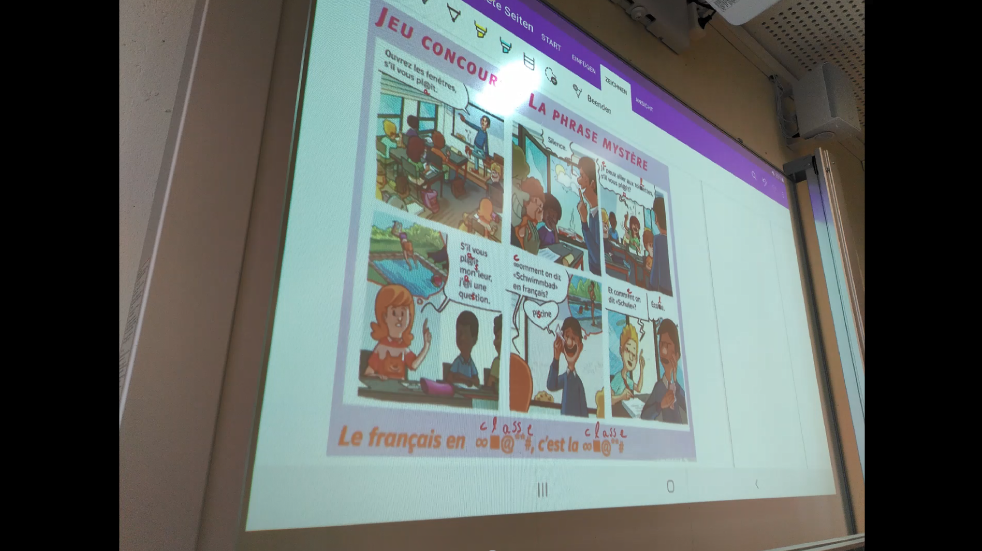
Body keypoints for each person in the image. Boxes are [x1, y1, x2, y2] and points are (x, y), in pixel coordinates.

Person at [365, 284, 432, 381]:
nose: (399, 318)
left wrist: (426, 346)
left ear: (409, 317)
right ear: (385, 317)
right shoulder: (381, 346)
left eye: (403, 313)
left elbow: (414, 365)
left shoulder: (403, 347)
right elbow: (368, 373)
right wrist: (378, 377)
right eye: (394, 313)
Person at [640, 319, 686, 423]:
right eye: (661, 345)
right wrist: (660, 405)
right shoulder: (659, 387)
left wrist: (674, 381)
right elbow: (644, 416)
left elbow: (689, 408)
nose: (663, 351)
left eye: (667, 345)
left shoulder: (678, 389)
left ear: (677, 355)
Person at [546, 317, 589, 417]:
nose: (569, 343)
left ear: (580, 347)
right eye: (567, 337)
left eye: (573, 338)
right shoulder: (566, 377)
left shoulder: (578, 382)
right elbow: (551, 385)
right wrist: (556, 358)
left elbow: (584, 411)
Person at [576, 157, 602, 276]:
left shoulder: (599, 217)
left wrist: (584, 221)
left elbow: (597, 258)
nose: (578, 181)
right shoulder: (593, 212)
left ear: (592, 184)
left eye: (582, 176)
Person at [610, 321, 644, 411]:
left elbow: (638, 389)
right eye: (628, 350)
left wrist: (641, 369)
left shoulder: (628, 380)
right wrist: (621, 396)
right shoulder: (618, 378)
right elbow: (609, 400)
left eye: (634, 355)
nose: (631, 357)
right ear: (621, 351)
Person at [647, 196, 673, 296]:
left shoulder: (658, 240)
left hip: (663, 290)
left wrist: (651, 289)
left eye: (656, 216)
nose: (655, 221)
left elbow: (654, 274)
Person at [512, 177, 544, 254]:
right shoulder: (521, 220)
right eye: (535, 200)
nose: (539, 207)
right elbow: (521, 232)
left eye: (541, 207)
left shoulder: (531, 221)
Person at [449, 311, 481, 387]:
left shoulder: (471, 363)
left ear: (474, 339)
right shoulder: (458, 362)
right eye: (459, 332)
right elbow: (449, 378)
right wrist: (465, 381)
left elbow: (477, 382)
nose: (461, 337)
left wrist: (463, 378)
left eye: (465, 333)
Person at [488, 315, 502, 391]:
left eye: (498, 337)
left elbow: (490, 386)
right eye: (496, 337)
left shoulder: (498, 362)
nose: (494, 342)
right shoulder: (498, 361)